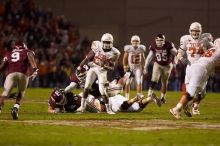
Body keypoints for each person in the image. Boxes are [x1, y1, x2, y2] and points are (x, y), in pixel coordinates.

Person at [170, 38, 220, 119]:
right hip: (201, 69)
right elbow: (217, 64)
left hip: (197, 67)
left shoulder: (211, 49)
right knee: (190, 93)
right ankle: (176, 109)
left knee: (200, 94)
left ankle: (187, 105)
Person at [77, 33, 121, 114]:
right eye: (105, 42)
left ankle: (108, 109)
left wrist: (105, 66)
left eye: (108, 42)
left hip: (102, 70)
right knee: (86, 87)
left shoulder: (115, 52)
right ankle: (82, 106)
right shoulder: (97, 45)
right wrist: (80, 66)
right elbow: (88, 57)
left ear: (111, 43)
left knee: (102, 91)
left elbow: (112, 67)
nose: (106, 44)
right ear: (101, 42)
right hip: (93, 67)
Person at [176, 22, 213, 115]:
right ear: (190, 31)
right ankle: (189, 107)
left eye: (197, 31)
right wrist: (180, 58)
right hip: (190, 67)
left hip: (203, 68)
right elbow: (179, 52)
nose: (195, 33)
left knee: (201, 94)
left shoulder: (205, 39)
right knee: (189, 91)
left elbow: (214, 50)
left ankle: (191, 105)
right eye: (193, 31)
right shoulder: (185, 39)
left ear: (200, 31)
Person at [0, 40, 38, 119]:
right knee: (21, 92)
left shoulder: (9, 53)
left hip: (11, 74)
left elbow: (2, 67)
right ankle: (15, 108)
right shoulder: (26, 51)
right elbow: (30, 56)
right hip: (23, 74)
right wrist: (35, 69)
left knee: (5, 93)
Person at [144, 34, 177, 104]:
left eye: (161, 40)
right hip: (158, 64)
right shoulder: (153, 45)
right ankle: (149, 94)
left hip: (167, 65)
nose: (159, 42)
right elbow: (149, 57)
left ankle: (163, 97)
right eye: (157, 40)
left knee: (164, 82)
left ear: (164, 41)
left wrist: (175, 62)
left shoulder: (169, 45)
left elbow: (177, 53)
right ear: (155, 41)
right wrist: (145, 66)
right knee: (154, 80)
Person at [123, 35, 146, 99]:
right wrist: (125, 66)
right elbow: (125, 58)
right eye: (134, 41)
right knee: (127, 83)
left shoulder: (141, 48)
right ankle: (126, 98)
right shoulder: (128, 48)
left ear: (139, 42)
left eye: (137, 41)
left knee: (139, 82)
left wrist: (144, 67)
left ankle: (139, 96)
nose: (135, 42)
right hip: (130, 68)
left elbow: (143, 58)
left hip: (138, 68)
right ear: (131, 41)